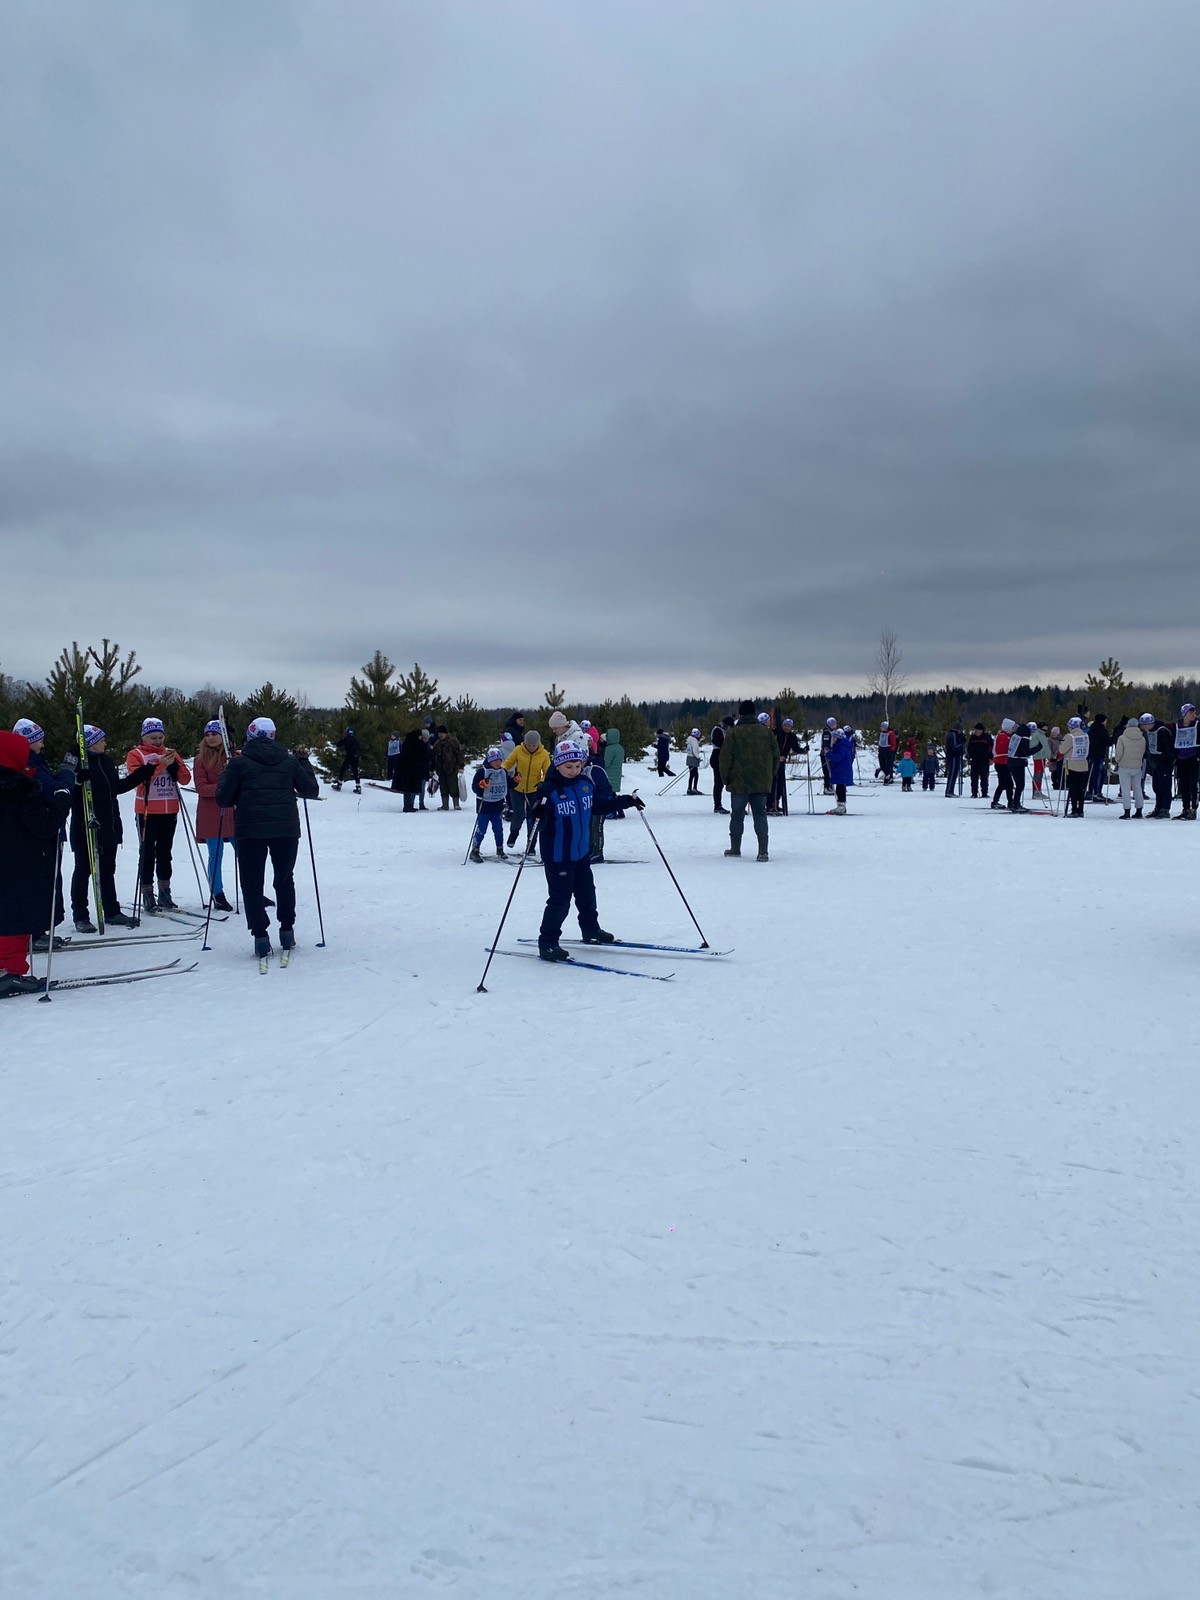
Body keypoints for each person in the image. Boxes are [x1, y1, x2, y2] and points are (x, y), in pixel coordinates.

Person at [215, 717, 319, 958]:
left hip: (250, 830)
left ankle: (260, 936)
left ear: (249, 736)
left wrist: (225, 776)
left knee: (252, 882)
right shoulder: (290, 761)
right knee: (284, 878)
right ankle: (287, 930)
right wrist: (305, 763)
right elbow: (311, 790)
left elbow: (223, 799)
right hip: (285, 829)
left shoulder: (239, 764)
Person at [530, 740, 644, 959]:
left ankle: (590, 929)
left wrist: (626, 801)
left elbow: (598, 806)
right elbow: (537, 821)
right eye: (568, 766)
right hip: (559, 856)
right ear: (558, 764)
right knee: (560, 901)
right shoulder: (549, 789)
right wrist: (539, 813)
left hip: (581, 854)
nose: (573, 770)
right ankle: (548, 942)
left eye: (577, 766)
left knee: (587, 895)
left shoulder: (584, 784)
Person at [0, 728, 75, 997]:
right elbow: (45, 826)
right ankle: (9, 972)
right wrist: (62, 800)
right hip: (20, 864)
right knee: (15, 916)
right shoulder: (19, 790)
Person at [69, 725, 144, 930]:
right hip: (86, 827)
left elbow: (116, 788)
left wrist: (145, 772)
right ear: (91, 743)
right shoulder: (76, 762)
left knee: (107, 871)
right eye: (102, 740)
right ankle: (80, 915)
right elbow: (67, 792)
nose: (106, 743)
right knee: (83, 871)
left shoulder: (106, 761)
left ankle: (111, 911)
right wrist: (77, 781)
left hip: (109, 825)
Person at [126, 717, 192, 913]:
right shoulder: (135, 754)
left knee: (165, 852)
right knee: (147, 853)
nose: (157, 741)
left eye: (160, 737)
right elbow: (137, 781)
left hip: (169, 809)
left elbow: (186, 779)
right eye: (152, 737)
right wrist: (161, 765)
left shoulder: (171, 753)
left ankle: (165, 892)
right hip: (147, 811)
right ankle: (147, 893)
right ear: (144, 737)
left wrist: (176, 768)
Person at [13, 718, 68, 945]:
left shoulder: (36, 760)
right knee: (43, 881)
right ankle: (35, 933)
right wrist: (66, 778)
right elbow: (50, 790)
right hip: (42, 829)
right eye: (39, 741)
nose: (43, 745)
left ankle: (38, 931)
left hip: (48, 827)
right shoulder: (28, 764)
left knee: (49, 879)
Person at [718, 701, 776, 860]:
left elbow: (725, 758)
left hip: (738, 783)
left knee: (737, 815)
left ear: (741, 714)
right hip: (760, 782)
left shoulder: (734, 733)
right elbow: (776, 757)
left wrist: (726, 779)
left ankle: (735, 848)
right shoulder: (767, 733)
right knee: (760, 814)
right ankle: (763, 851)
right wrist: (769, 776)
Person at [193, 720, 236, 911]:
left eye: (215, 734)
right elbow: (201, 788)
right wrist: (223, 787)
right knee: (215, 854)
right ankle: (217, 893)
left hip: (233, 812)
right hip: (211, 812)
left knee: (246, 853)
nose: (210, 738)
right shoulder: (200, 759)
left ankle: (254, 890)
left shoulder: (234, 757)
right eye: (207, 734)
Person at [503, 729, 551, 850]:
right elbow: (508, 762)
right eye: (528, 745)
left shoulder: (543, 753)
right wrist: (502, 770)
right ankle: (513, 834)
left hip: (534, 790)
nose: (530, 747)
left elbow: (548, 771)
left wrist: (542, 782)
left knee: (533, 817)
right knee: (519, 815)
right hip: (517, 788)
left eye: (533, 745)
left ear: (538, 744)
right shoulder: (519, 750)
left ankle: (531, 845)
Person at [469, 748, 508, 862]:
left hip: (497, 806)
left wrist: (516, 780)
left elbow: (508, 783)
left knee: (498, 829)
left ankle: (500, 849)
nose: (498, 763)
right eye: (495, 760)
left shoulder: (502, 771)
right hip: (484, 806)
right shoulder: (482, 772)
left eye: (499, 760)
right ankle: (475, 850)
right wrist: (481, 785)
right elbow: (475, 787)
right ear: (489, 760)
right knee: (481, 829)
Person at [1114, 714, 1151, 818]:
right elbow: (1143, 751)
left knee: (1125, 789)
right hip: (1137, 766)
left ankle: (1127, 811)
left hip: (1124, 766)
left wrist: (1118, 761)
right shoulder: (1142, 738)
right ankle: (1139, 810)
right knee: (1138, 788)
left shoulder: (1122, 738)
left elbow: (1118, 753)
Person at [1172, 703, 1199, 819]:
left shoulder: (1198, 725)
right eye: (1190, 712)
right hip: (1181, 758)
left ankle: (1193, 809)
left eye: (1194, 712)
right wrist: (1175, 756)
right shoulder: (1177, 726)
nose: (1193, 715)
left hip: (1194, 758)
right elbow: (1173, 741)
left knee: (1193, 784)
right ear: (1185, 714)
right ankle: (1186, 808)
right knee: (1183, 785)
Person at [1146, 716, 1175, 818]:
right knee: (1157, 787)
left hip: (1165, 764)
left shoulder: (1163, 731)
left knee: (1165, 787)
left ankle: (1165, 808)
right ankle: (1158, 807)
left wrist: (1162, 759)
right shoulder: (1151, 731)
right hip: (1156, 764)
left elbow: (1168, 750)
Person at [1061, 717, 1090, 816]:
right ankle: (1080, 809)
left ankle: (1074, 810)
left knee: (1073, 788)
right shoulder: (1086, 736)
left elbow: (1062, 750)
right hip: (1083, 765)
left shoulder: (1070, 737)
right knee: (1080, 788)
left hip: (1071, 765)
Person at [771, 718, 800, 814]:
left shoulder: (792, 737)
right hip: (773, 761)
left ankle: (776, 802)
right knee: (773, 782)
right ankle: (770, 803)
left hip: (782, 762)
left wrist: (804, 750)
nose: (786, 727)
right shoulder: (776, 733)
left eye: (789, 726)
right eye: (785, 725)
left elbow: (796, 748)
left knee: (780, 783)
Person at [432, 726, 464, 810]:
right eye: (439, 733)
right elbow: (434, 757)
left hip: (452, 768)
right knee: (443, 788)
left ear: (446, 733)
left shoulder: (453, 742)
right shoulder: (437, 743)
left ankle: (456, 805)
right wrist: (432, 768)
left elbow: (459, 754)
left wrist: (461, 766)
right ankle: (445, 805)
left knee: (453, 787)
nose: (440, 735)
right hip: (440, 769)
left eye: (442, 733)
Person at [826, 726, 855, 814]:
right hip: (839, 770)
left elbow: (837, 758)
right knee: (840, 787)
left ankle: (841, 805)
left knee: (841, 788)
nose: (833, 739)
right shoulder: (839, 745)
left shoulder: (842, 746)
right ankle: (840, 805)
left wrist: (828, 754)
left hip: (842, 771)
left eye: (834, 737)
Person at [1006, 723, 1032, 812]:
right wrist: (1037, 748)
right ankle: (1016, 803)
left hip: (1011, 760)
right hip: (1019, 762)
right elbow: (1026, 751)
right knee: (1020, 784)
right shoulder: (1024, 739)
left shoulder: (1015, 737)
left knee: (1018, 784)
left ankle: (1014, 802)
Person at [990, 719, 1014, 810]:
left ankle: (1010, 801)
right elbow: (1001, 749)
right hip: (1001, 763)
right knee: (1003, 783)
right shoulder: (1003, 736)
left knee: (1009, 784)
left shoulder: (1006, 736)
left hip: (1004, 763)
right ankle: (996, 801)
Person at [1086, 713, 1111, 801]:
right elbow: (1108, 742)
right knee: (1099, 774)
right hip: (1099, 754)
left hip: (1091, 754)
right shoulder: (1102, 730)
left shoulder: (1091, 729)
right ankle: (1097, 792)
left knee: (1093, 773)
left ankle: (1091, 791)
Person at [710, 717, 732, 813]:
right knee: (718, 782)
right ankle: (717, 805)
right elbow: (716, 741)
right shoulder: (718, 730)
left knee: (720, 783)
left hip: (719, 756)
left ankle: (718, 804)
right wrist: (726, 744)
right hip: (717, 756)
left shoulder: (720, 729)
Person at [332, 726, 361, 793]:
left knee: (342, 770)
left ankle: (339, 785)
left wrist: (341, 739)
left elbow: (338, 744)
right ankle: (358, 787)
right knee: (355, 772)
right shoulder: (355, 740)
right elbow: (359, 748)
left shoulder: (347, 739)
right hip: (356, 757)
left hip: (349, 757)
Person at [967, 724, 993, 798]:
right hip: (974, 760)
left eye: (976, 730)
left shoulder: (987, 738)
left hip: (984, 761)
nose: (975, 731)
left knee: (984, 778)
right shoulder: (973, 738)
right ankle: (974, 792)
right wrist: (969, 758)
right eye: (974, 730)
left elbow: (991, 748)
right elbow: (969, 749)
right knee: (974, 778)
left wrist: (991, 758)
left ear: (981, 730)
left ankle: (984, 793)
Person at [1028, 723, 1051, 797]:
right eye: (1045, 726)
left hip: (1043, 757)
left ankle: (1038, 790)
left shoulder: (1042, 734)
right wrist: (1039, 751)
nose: (1046, 728)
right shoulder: (1036, 735)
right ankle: (1035, 791)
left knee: (1040, 774)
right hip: (1038, 757)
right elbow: (1033, 745)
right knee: (1037, 774)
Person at [943, 720, 965, 796]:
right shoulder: (953, 735)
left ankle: (949, 790)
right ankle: (949, 791)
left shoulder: (951, 734)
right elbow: (954, 746)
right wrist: (961, 744)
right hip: (954, 757)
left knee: (953, 773)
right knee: (953, 773)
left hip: (952, 756)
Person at [602, 726, 625, 795]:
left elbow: (606, 763)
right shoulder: (620, 748)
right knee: (613, 793)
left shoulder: (610, 749)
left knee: (608, 794)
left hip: (609, 775)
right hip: (617, 774)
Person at [820, 718, 838, 793]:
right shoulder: (827, 732)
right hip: (826, 754)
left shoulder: (831, 731)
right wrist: (826, 752)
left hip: (830, 753)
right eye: (834, 724)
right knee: (827, 771)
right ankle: (826, 787)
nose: (836, 725)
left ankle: (829, 786)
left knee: (830, 771)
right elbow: (825, 743)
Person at [685, 728, 703, 795]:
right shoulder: (694, 741)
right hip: (693, 759)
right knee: (696, 774)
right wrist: (698, 758)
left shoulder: (689, 740)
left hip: (689, 758)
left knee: (691, 775)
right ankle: (694, 788)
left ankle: (689, 788)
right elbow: (694, 750)